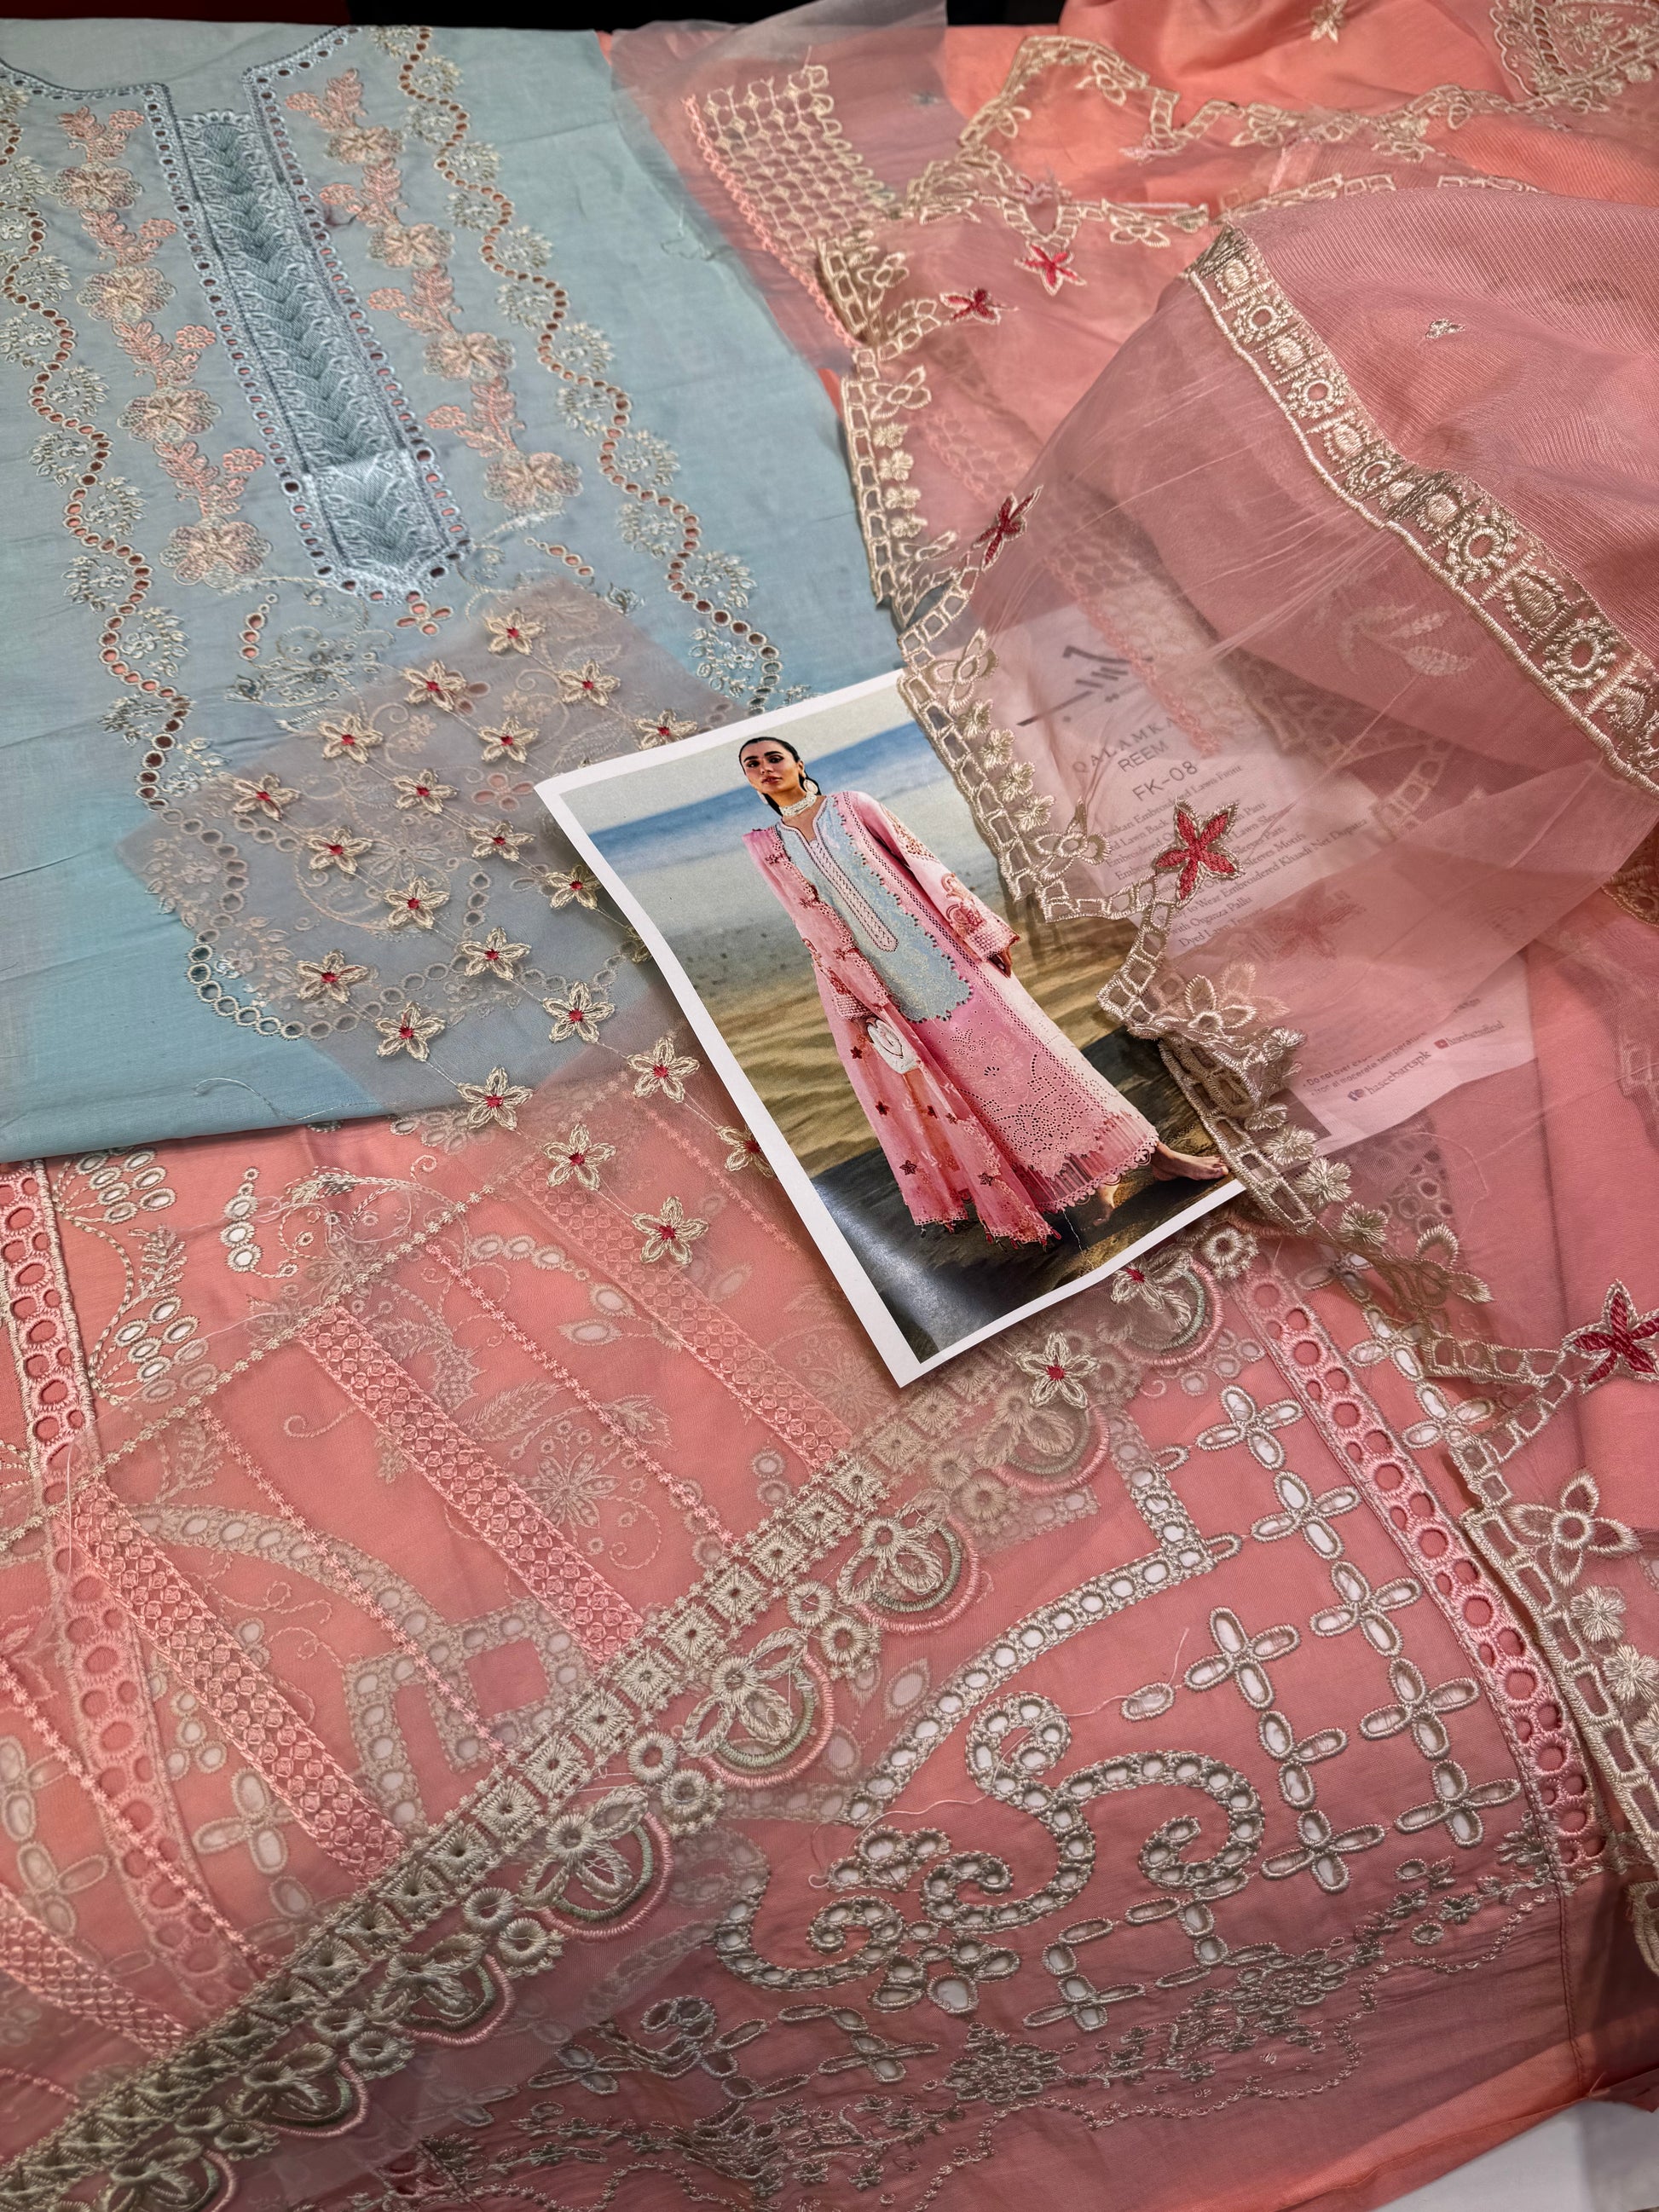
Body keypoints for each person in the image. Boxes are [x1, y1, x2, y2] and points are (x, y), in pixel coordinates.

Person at [739, 733, 1227, 1243]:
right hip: (893, 988)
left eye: (774, 757)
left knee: (1045, 1060)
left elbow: (923, 862)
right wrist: (851, 996)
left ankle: (1159, 1157)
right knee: (985, 1094)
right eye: (753, 764)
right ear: (750, 780)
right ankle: (1093, 1177)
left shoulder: (851, 807)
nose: (766, 767)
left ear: (799, 763)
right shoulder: (768, 848)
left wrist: (980, 930)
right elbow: (808, 924)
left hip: (951, 957)